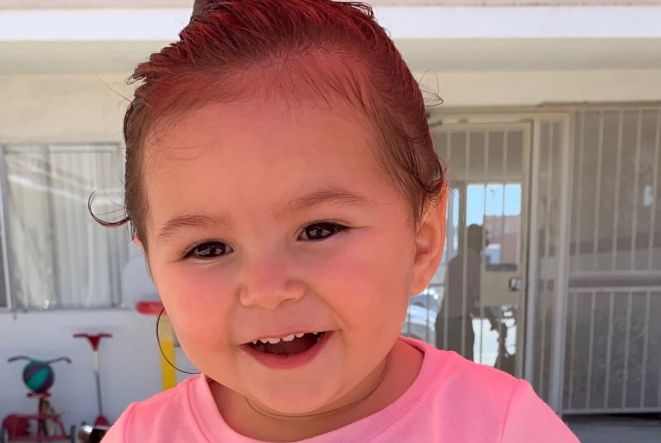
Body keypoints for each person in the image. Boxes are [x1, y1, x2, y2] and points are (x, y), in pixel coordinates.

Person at [100, 1, 579, 441]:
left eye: (319, 229)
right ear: (156, 271)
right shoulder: (140, 435)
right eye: (206, 248)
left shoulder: (501, 427)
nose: (268, 289)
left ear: (422, 242)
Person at [435, 224, 499, 361]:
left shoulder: (455, 261)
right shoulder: (475, 263)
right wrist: (492, 319)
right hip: (459, 323)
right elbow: (478, 297)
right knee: (464, 366)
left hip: (442, 321)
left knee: (443, 366)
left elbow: (455, 294)